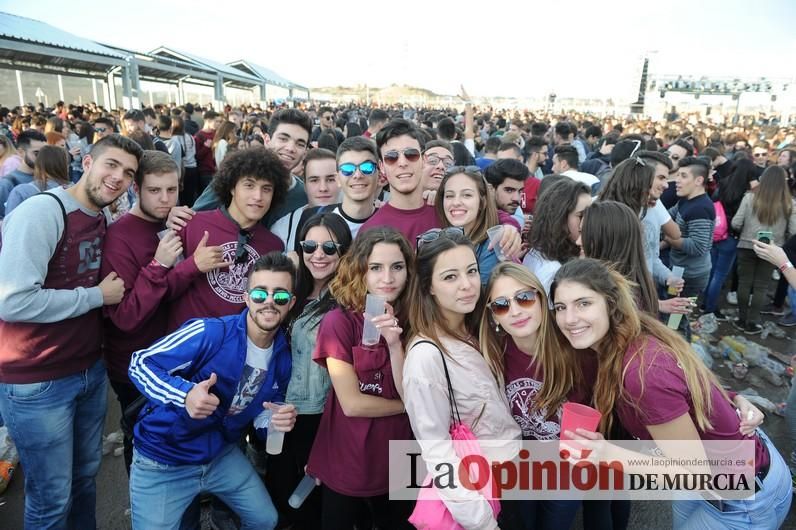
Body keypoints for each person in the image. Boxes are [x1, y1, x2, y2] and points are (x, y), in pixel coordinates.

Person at [550, 258, 789, 530]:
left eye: (584, 303)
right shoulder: (624, 340)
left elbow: (694, 473)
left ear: (610, 304)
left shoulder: (642, 372)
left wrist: (607, 453)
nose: (569, 319)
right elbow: (688, 385)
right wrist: (733, 397)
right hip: (713, 481)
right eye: (561, 307)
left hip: (742, 497)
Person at [0, 134, 141, 528]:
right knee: (51, 499)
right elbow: (12, 301)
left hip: (86, 373)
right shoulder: (43, 213)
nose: (118, 178)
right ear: (88, 161)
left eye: (128, 173)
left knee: (83, 482)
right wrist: (96, 295)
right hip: (37, 380)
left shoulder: (100, 218)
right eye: (111, 165)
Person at [128, 253, 299, 530]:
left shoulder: (283, 357)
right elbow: (140, 363)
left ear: (290, 303)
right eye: (259, 293)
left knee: (265, 520)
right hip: (163, 460)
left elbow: (265, 415)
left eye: (280, 296)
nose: (269, 301)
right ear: (246, 298)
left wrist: (276, 423)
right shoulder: (210, 332)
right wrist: (186, 395)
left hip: (219, 455)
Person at [404, 227, 521, 530]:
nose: (467, 285)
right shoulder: (426, 356)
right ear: (429, 286)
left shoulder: (480, 328)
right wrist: (481, 522)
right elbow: (437, 452)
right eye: (450, 277)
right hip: (479, 495)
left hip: (514, 476)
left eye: (471, 271)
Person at [306, 226, 414, 529]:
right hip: (348, 456)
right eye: (375, 268)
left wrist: (394, 345)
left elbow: (412, 390)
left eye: (397, 267)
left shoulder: (416, 319)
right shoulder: (339, 321)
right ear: (360, 271)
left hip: (400, 457)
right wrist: (408, 405)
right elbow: (352, 404)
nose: (388, 278)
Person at [479, 262, 597, 529]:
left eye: (524, 298)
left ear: (541, 299)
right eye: (501, 304)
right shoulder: (493, 355)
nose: (516, 311)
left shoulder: (577, 349)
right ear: (493, 316)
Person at [266, 213, 352, 528]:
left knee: (313, 508)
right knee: (284, 500)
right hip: (279, 414)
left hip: (322, 418)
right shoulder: (291, 290)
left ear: (344, 251)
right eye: (310, 245)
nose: (318, 254)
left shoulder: (347, 301)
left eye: (330, 247)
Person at [101, 151, 181, 472]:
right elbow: (125, 318)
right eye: (154, 190)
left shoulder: (173, 222)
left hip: (172, 358)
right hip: (135, 367)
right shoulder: (119, 237)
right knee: (143, 442)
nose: (165, 199)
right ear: (136, 188)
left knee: (173, 440)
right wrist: (158, 265)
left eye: (172, 190)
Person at [165, 148, 286, 332]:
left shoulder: (273, 245)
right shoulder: (191, 224)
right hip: (186, 346)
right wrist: (193, 265)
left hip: (235, 351)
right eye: (249, 185)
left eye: (266, 189)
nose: (258, 196)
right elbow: (162, 291)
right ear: (231, 187)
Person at [189, 108, 312, 227]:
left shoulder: (304, 196)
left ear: (305, 151)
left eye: (300, 144)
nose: (290, 148)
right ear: (267, 140)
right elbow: (191, 220)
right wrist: (173, 216)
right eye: (283, 139)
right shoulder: (235, 175)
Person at [731, 165, 796, 334]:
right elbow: (794, 231)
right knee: (761, 286)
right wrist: (781, 238)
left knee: (744, 283)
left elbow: (736, 223)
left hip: (747, 244)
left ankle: (741, 319)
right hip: (773, 250)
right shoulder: (790, 203)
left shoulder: (749, 198)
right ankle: (753, 322)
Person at [435, 166, 519, 284]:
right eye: (449, 196)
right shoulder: (444, 238)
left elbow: (482, 296)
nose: (456, 202)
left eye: (467, 195)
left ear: (482, 202)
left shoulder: (493, 245)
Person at [523, 178, 591, 294]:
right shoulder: (554, 272)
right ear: (559, 219)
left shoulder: (540, 251)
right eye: (581, 215)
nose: (589, 221)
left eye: (591, 214)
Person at [664, 156, 715, 309]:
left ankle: (679, 333)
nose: (677, 180)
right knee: (673, 311)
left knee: (678, 316)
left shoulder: (701, 208)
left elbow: (699, 247)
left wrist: (670, 239)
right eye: (678, 175)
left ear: (699, 180)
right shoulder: (686, 200)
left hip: (692, 276)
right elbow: (666, 217)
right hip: (678, 270)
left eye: (683, 176)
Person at [702, 163, 749, 320]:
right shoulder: (745, 193)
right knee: (720, 275)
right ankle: (711, 308)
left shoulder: (723, 184)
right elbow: (740, 220)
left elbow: (713, 201)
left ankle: (703, 304)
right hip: (730, 237)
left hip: (716, 232)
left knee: (711, 271)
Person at [271, 148, 339, 250]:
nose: (323, 188)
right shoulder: (282, 230)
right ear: (305, 186)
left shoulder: (358, 222)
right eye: (314, 180)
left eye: (330, 179)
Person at [5, 144, 70, 215]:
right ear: (66, 166)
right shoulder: (76, 190)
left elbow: (10, 222)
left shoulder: (22, 191)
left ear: (38, 164)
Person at [0, 129, 46, 218]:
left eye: (45, 153)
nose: (42, 158)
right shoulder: (7, 183)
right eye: (36, 153)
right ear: (21, 152)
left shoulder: (48, 176)